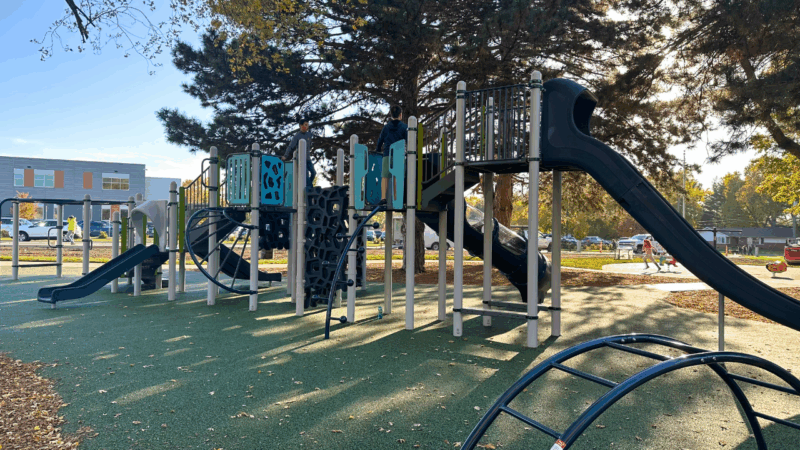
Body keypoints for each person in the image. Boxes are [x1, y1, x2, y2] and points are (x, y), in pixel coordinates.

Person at [375, 105, 407, 205]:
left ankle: (383, 198)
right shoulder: (404, 127)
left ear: (391, 115)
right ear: (401, 115)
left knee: (385, 176)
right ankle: (396, 197)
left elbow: (380, 141)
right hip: (399, 155)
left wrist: (377, 150)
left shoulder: (386, 127)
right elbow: (408, 140)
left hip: (387, 154)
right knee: (396, 176)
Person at [281, 118, 316, 187]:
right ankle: (309, 188)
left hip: (308, 158)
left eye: (307, 125)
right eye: (305, 125)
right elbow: (290, 146)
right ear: (300, 125)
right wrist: (285, 155)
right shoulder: (297, 136)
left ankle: (309, 186)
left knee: (313, 172)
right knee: (305, 173)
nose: (307, 126)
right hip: (300, 158)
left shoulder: (309, 134)